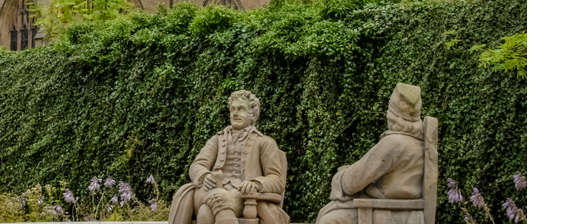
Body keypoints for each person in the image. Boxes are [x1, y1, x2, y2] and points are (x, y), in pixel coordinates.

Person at [168, 90, 289, 224]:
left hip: (241, 195)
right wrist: (204, 175)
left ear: (252, 114)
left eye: (241, 109)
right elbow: (197, 165)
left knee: (205, 213)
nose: (235, 113)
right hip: (209, 191)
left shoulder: (264, 142)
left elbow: (277, 179)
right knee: (220, 195)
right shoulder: (217, 139)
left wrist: (256, 183)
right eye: (232, 109)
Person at [316, 83, 426, 224]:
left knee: (330, 220)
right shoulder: (417, 143)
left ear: (392, 115)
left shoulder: (394, 143)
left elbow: (352, 183)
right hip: (405, 213)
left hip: (384, 213)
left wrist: (341, 176)